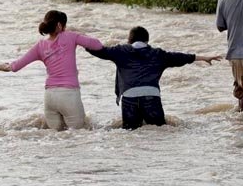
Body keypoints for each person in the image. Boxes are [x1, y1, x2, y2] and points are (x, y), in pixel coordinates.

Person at [87, 26, 221, 129]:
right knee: (159, 130)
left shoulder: (120, 51)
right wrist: (204, 57)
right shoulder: (158, 54)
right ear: (147, 40)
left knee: (130, 132)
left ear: (129, 40)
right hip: (152, 96)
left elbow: (100, 50)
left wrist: (79, 42)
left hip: (129, 97)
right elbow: (180, 57)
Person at [6, 10, 103, 130]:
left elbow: (15, 66)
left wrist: (1, 67)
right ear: (60, 25)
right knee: (79, 137)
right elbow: (97, 45)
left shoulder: (40, 45)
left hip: (50, 97)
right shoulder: (71, 36)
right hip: (69, 94)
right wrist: (80, 34)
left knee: (54, 139)